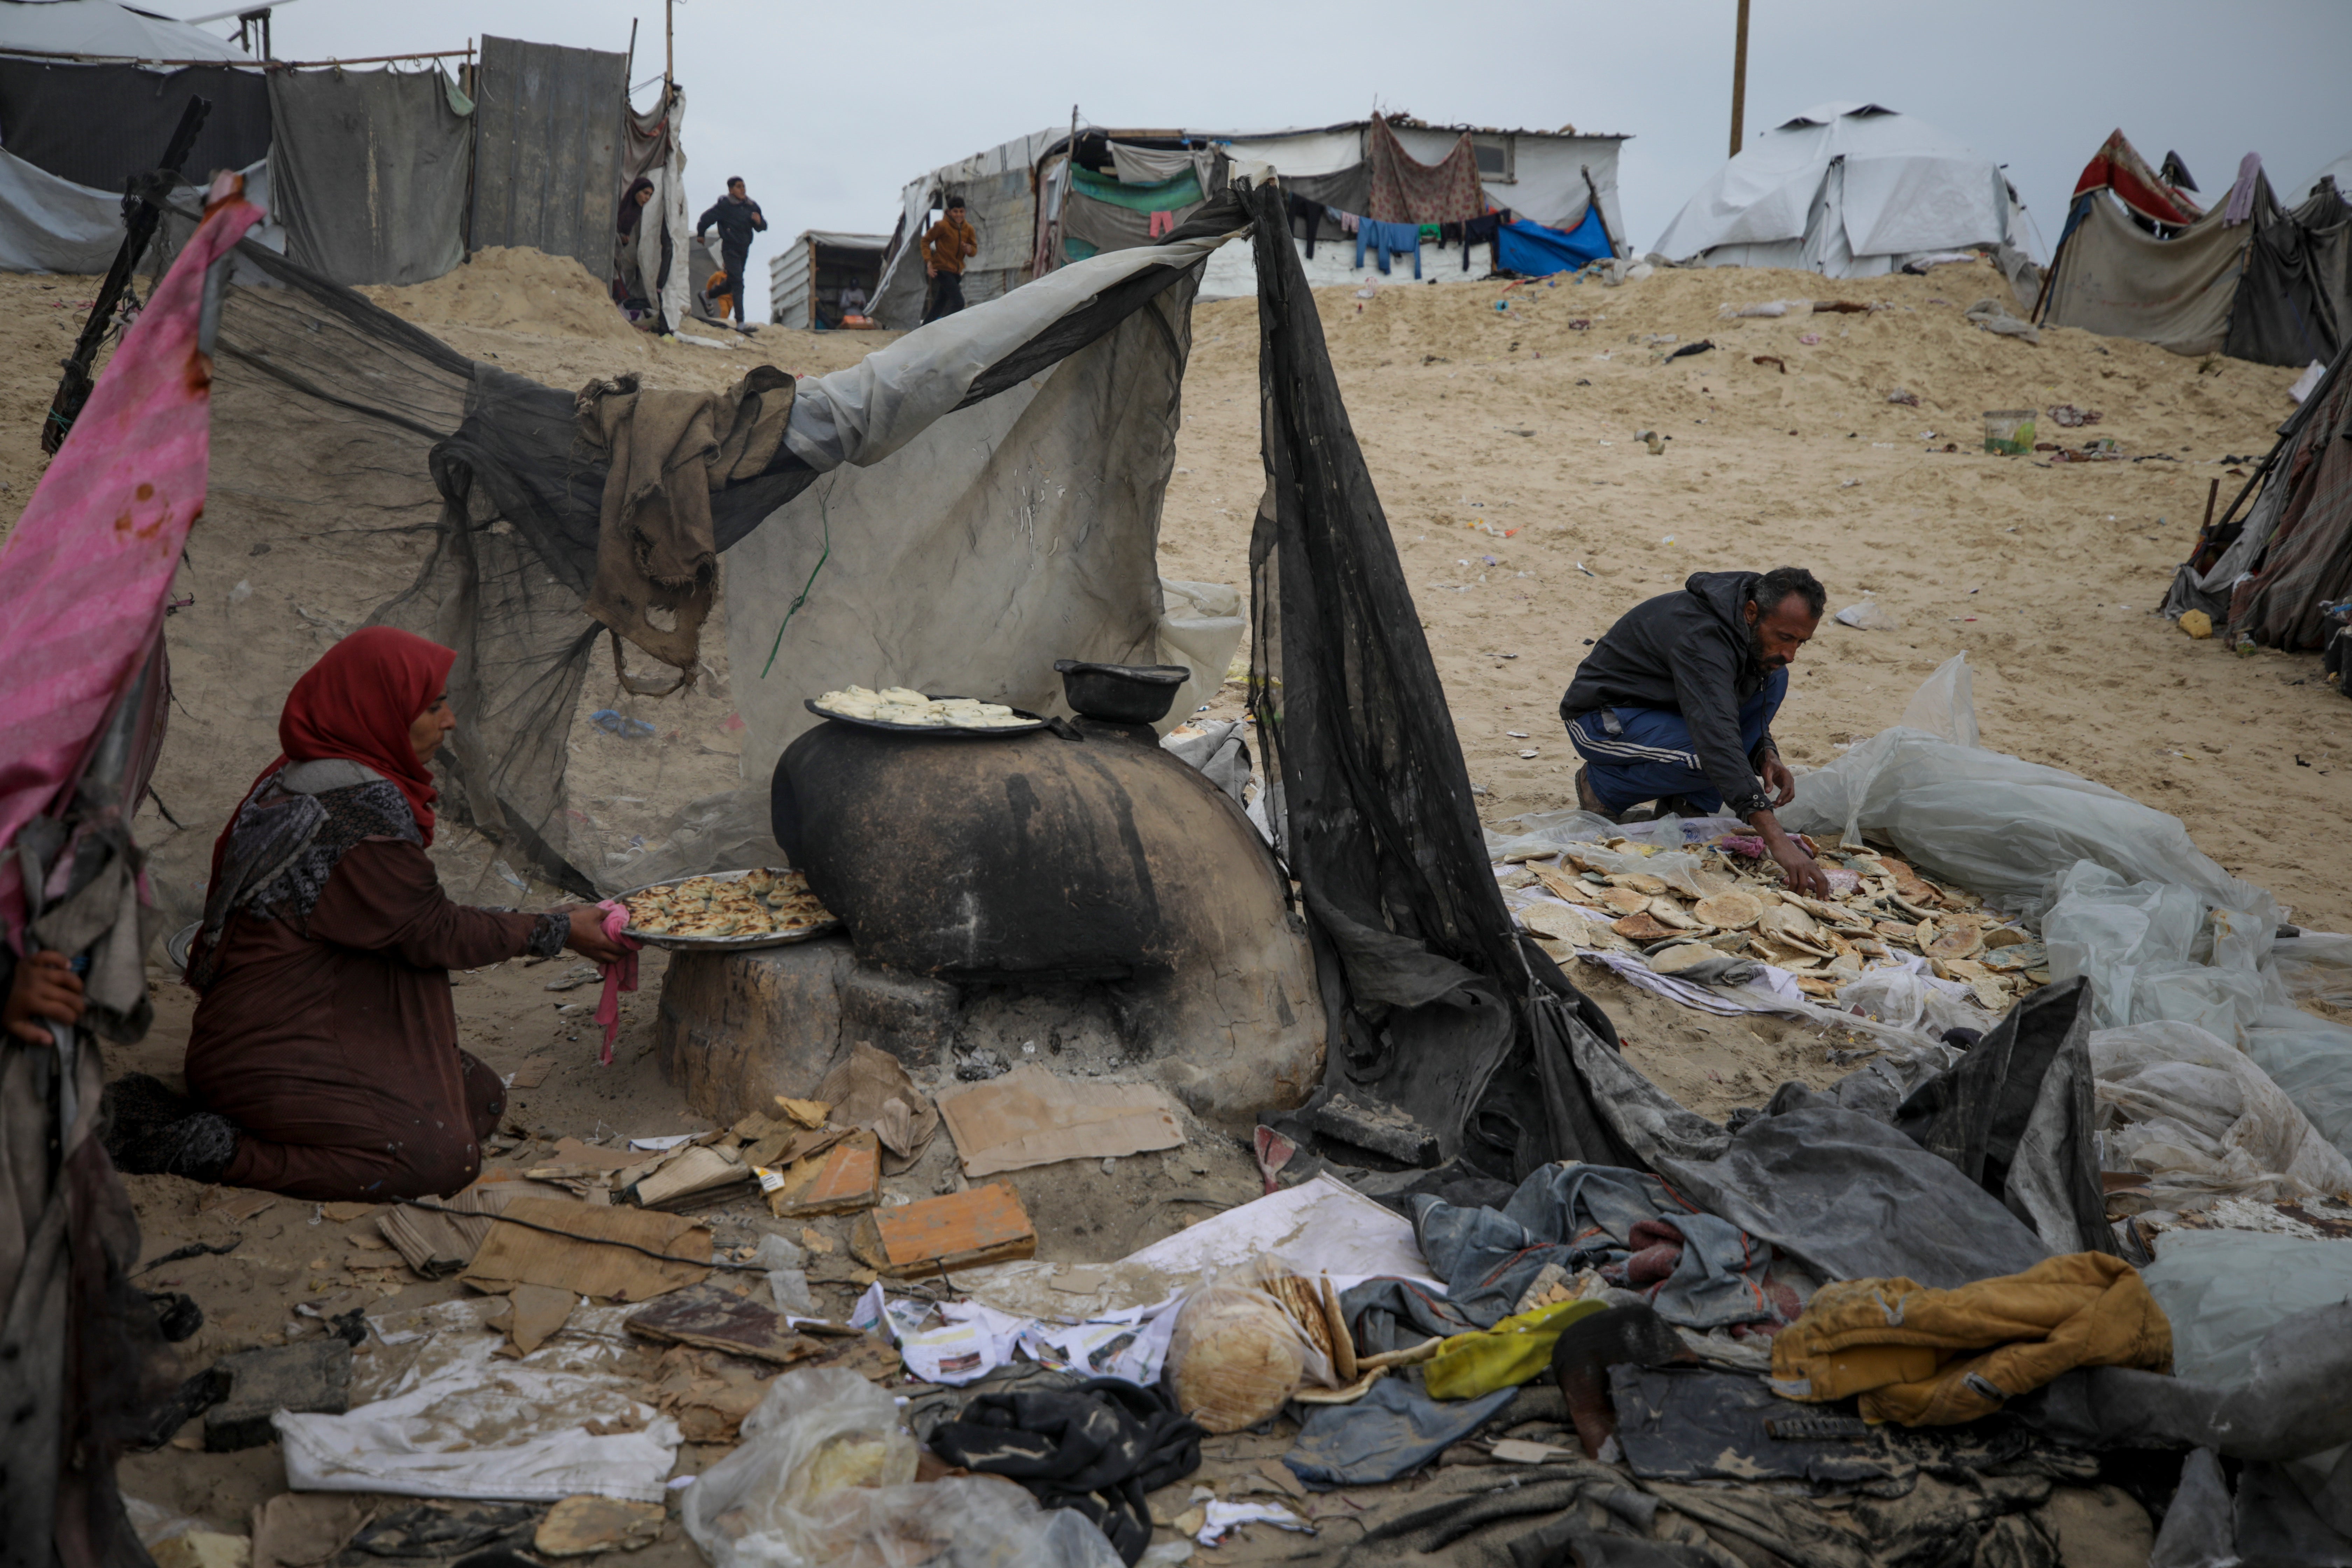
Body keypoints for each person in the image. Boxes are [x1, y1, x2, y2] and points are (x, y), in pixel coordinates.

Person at [106, 627, 628, 1200]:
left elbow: (414, 920)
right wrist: (558, 929)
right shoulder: (355, 813)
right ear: (381, 711)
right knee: (440, 1161)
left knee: (478, 1097)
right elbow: (433, 932)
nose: (449, 721)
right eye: (432, 707)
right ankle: (214, 1149)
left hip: (314, 1016)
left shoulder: (315, 773)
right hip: (269, 1050)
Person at [1559, 567, 1830, 897]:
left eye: (1801, 642)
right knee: (1710, 759)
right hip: (1603, 719)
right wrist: (1778, 840)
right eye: (1785, 637)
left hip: (1674, 711)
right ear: (1751, 613)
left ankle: (1687, 802)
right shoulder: (1702, 637)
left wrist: (1765, 752)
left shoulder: (1749, 632)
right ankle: (1600, 788)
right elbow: (1718, 740)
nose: (1791, 653)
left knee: (1774, 675)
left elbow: (1732, 710)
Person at [694, 176, 767, 325]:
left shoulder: (751, 206)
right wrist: (701, 233)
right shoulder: (725, 205)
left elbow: (763, 227)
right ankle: (740, 322)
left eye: (744, 186)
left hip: (744, 249)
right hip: (730, 249)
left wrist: (760, 222)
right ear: (731, 190)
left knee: (731, 283)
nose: (743, 190)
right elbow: (707, 218)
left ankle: (707, 295)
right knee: (739, 283)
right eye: (739, 187)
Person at [922, 195, 978, 323]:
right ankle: (943, 327)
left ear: (965, 212)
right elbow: (925, 241)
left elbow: (974, 249)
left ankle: (925, 329)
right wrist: (929, 263)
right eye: (955, 212)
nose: (959, 215)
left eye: (962, 211)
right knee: (959, 303)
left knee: (940, 303)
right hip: (942, 269)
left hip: (956, 272)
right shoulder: (942, 226)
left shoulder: (969, 229)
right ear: (949, 212)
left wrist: (969, 249)